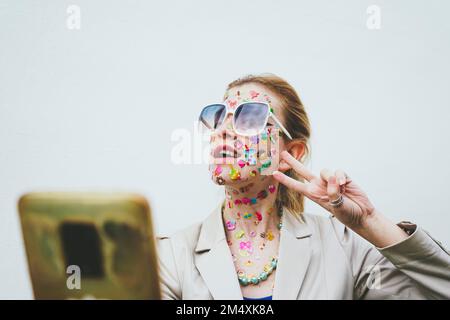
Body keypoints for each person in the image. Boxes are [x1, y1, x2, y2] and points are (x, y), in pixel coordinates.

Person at [157, 74, 450, 300]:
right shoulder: (171, 256)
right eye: (218, 117)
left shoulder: (344, 248)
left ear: (292, 154)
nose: (223, 130)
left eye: (250, 117)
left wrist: (368, 221)